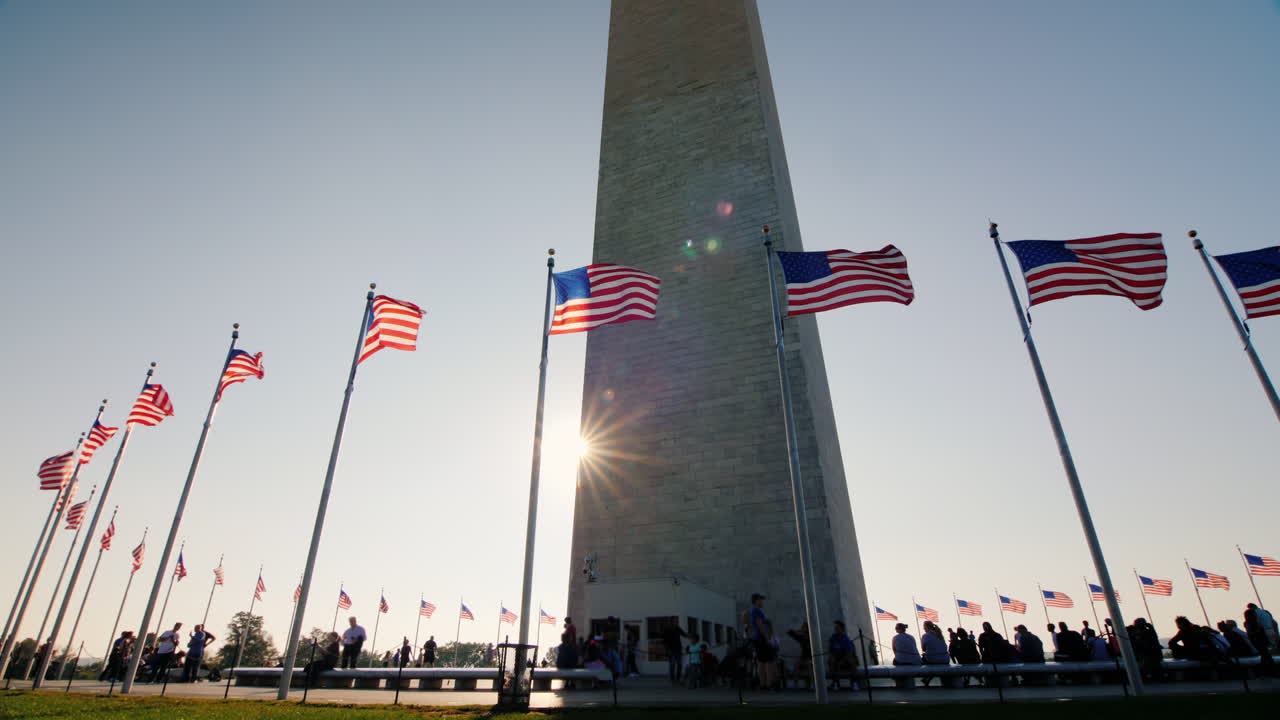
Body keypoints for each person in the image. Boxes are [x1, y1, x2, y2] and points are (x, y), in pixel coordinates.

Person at [1126, 617, 1164, 681]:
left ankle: (1148, 676)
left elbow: (1144, 645)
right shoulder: (1149, 632)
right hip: (1150, 655)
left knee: (1148, 660)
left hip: (1148, 655)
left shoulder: (1147, 633)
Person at [1244, 607, 1276, 676]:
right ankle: (1269, 672)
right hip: (1258, 642)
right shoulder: (1251, 623)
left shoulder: (1253, 623)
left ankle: (1267, 672)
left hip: (1260, 642)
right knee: (1266, 656)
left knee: (1265, 656)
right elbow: (1252, 634)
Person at [827, 621, 858, 690]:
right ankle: (835, 683)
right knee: (831, 661)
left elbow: (849, 652)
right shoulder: (833, 638)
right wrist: (832, 657)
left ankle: (854, 683)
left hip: (846, 657)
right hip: (836, 657)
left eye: (837, 628)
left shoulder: (846, 639)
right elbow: (830, 650)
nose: (835, 629)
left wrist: (842, 661)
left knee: (851, 662)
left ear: (842, 629)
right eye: (835, 628)